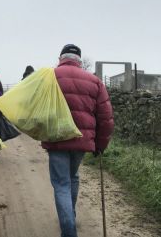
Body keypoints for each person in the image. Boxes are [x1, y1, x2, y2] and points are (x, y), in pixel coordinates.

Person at [41, 44, 114, 237]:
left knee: (62, 184)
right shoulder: (95, 82)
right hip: (81, 141)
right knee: (72, 177)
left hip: (57, 140)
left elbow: (36, 108)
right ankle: (70, 216)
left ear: (60, 58)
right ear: (79, 60)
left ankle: (69, 230)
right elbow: (105, 118)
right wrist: (101, 145)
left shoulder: (50, 76)